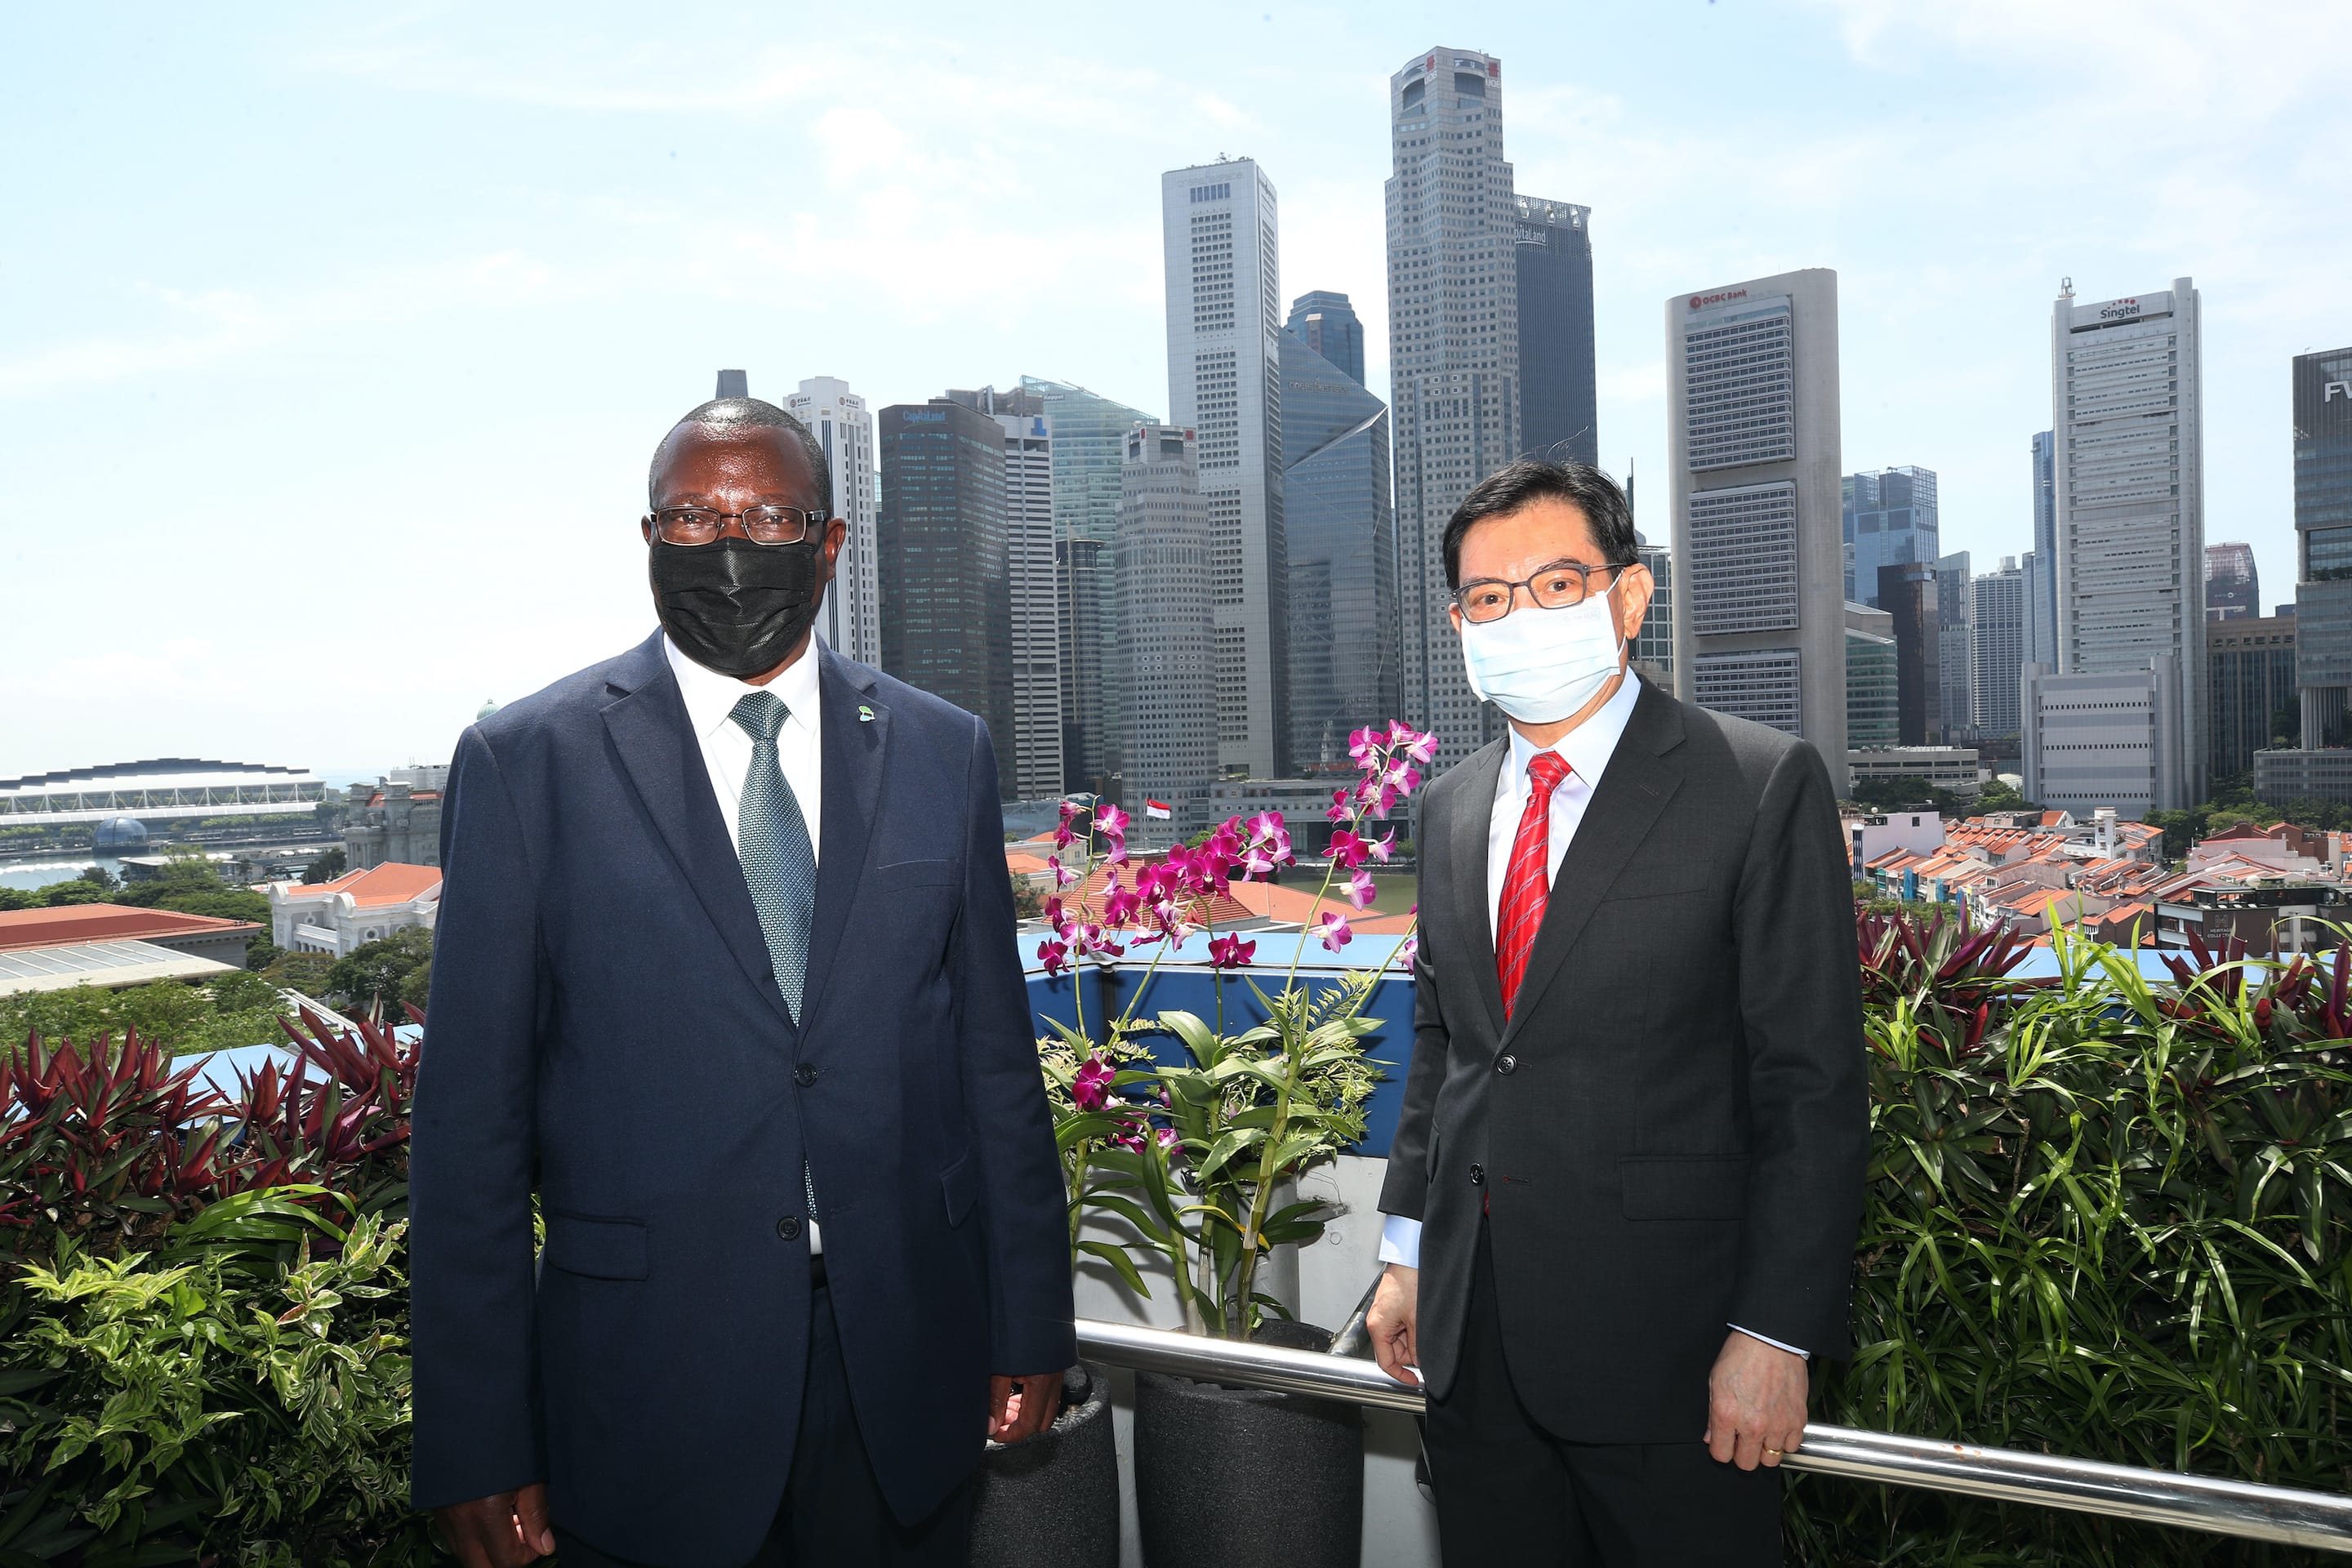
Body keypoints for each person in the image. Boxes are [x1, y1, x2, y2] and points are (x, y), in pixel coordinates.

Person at [408, 397, 1074, 1568]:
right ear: (649, 536)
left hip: (903, 1367)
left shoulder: (939, 748)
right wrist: (475, 1432)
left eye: (768, 514)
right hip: (648, 1385)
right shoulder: (525, 764)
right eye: (693, 515)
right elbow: (469, 1130)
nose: (729, 542)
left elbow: (993, 1070)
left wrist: (1030, 1323)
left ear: (828, 544)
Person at [1365, 460, 1868, 1566]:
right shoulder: (1449, 809)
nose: (1520, 618)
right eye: (1489, 599)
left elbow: (1812, 1087)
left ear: (1628, 598)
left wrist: (1775, 1332)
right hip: (1475, 1344)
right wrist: (1407, 1254)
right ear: (1460, 625)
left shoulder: (1757, 783)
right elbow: (1448, 1053)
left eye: (1554, 585)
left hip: (1672, 1353)